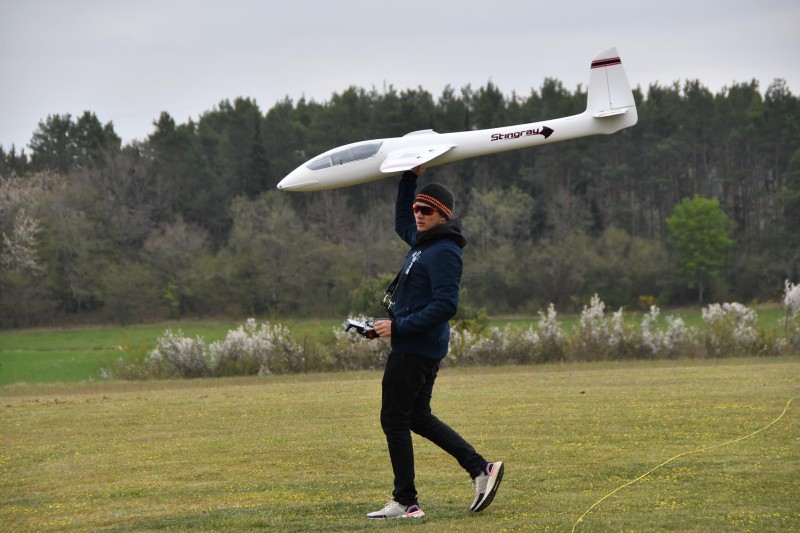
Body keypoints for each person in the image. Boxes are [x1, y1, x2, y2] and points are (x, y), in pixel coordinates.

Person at [367, 165, 504, 519]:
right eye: (417, 207)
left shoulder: (444, 250)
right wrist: (409, 178)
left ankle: (406, 501)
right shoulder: (423, 241)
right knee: (416, 417)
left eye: (426, 210)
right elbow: (400, 220)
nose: (418, 214)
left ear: (443, 215)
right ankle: (481, 468)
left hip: (415, 349)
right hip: (415, 345)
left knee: (393, 420)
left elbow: (446, 306)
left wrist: (399, 327)